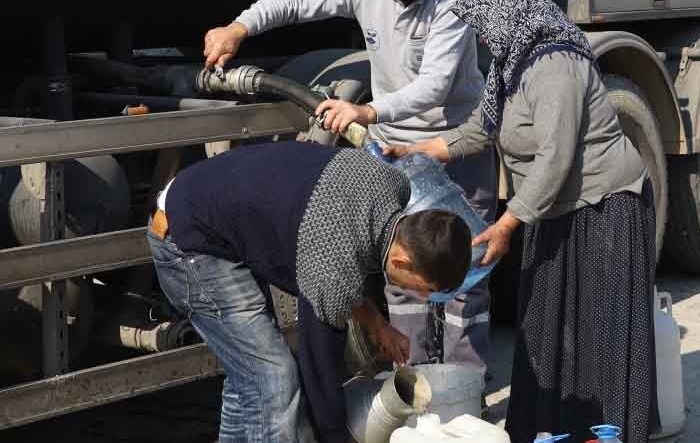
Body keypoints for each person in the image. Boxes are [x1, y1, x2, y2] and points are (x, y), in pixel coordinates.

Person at [201, 0, 493, 369]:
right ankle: (414, 383)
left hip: (455, 149)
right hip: (397, 157)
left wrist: (366, 110)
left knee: (466, 276)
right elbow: (298, 1)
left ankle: (464, 389)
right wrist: (240, 27)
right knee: (404, 270)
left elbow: (435, 85)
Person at [385, 0, 656, 442]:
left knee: (600, 328)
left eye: (486, 26)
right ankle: (555, 428)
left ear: (509, 16)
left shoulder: (556, 64)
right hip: (554, 210)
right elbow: (478, 132)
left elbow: (557, 156)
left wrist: (509, 222)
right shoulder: (511, 65)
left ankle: (607, 431)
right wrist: (416, 152)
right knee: (551, 327)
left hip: (606, 207)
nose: (484, 38)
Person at [146, 141, 472, 443]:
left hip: (212, 211)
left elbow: (349, 253)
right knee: (274, 380)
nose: (424, 299)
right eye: (427, 289)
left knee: (250, 377)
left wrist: (377, 323)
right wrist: (336, 436)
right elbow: (319, 375)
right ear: (403, 260)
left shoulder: (393, 186)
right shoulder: (333, 268)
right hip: (189, 240)